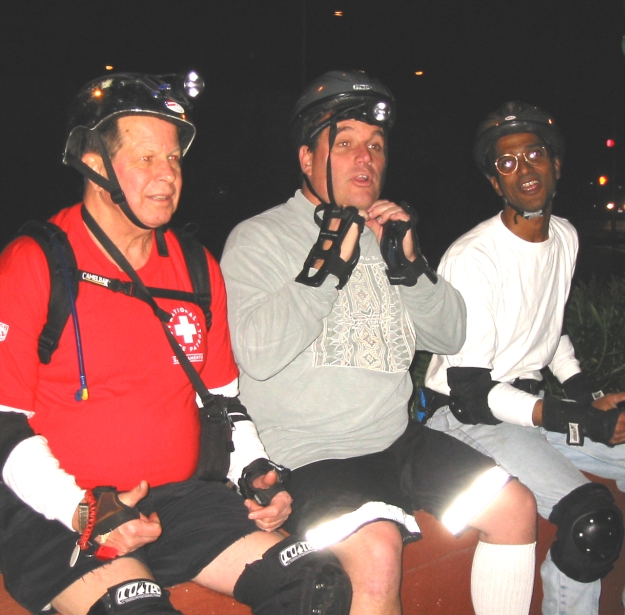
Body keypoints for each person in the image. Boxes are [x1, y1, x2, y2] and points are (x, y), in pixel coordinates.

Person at [0, 71, 352, 615]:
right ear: (94, 164)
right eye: (146, 159)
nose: (167, 176)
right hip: (63, 512)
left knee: (317, 584)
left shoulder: (194, 267)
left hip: (183, 501)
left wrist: (255, 473)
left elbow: (222, 401)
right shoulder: (33, 265)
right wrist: (81, 508)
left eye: (173, 159)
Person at [220, 70, 538, 615]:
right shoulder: (258, 238)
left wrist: (410, 267)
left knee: (514, 508)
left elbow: (451, 333)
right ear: (306, 158)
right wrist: (325, 269)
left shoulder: (385, 234)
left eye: (375, 147)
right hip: (313, 457)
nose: (364, 159)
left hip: (398, 442)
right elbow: (256, 353)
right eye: (343, 145)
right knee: (376, 552)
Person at [423, 101, 625, 615]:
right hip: (469, 418)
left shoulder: (565, 237)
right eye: (506, 163)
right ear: (495, 183)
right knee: (589, 523)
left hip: (530, 410)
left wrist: (586, 395)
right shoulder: (474, 258)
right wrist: (577, 419)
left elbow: (548, 329)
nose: (524, 169)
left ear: (556, 164)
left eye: (534, 154)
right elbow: (471, 393)